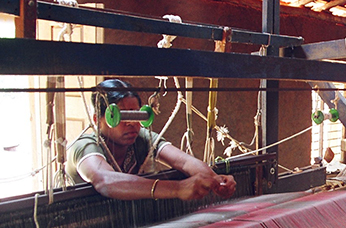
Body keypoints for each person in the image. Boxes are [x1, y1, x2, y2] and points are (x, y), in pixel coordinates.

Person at [66, 79, 236, 200]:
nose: (132, 123)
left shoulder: (141, 138)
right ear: (97, 120)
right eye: (121, 116)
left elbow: (183, 162)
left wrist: (216, 181)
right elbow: (104, 180)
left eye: (136, 115)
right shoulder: (85, 145)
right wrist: (177, 189)